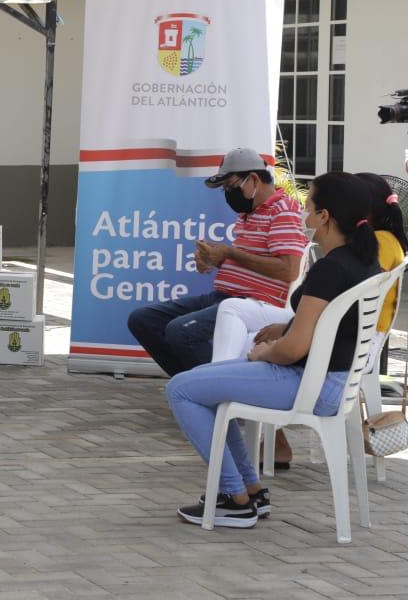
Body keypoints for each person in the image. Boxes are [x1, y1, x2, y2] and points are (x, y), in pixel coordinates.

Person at [166, 172, 381, 529]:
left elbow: (294, 348)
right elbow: (330, 324)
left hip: (309, 382)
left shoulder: (330, 269)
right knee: (202, 386)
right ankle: (249, 490)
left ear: (325, 216)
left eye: (309, 207)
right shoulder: (365, 263)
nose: (305, 216)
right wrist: (285, 329)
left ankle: (235, 498)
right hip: (336, 382)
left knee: (181, 389)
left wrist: (262, 352)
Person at [128, 147, 307, 376]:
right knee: (143, 320)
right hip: (223, 296)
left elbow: (289, 270)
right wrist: (215, 260)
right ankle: (192, 384)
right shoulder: (250, 213)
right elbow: (253, 262)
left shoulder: (282, 210)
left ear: (253, 179)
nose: (228, 194)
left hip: (251, 304)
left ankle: (215, 386)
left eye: (231, 187)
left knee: (180, 331)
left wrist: (230, 254)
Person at [356, 172, 406, 356]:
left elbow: (366, 288)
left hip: (367, 336)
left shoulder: (381, 242)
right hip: (368, 331)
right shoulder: (386, 238)